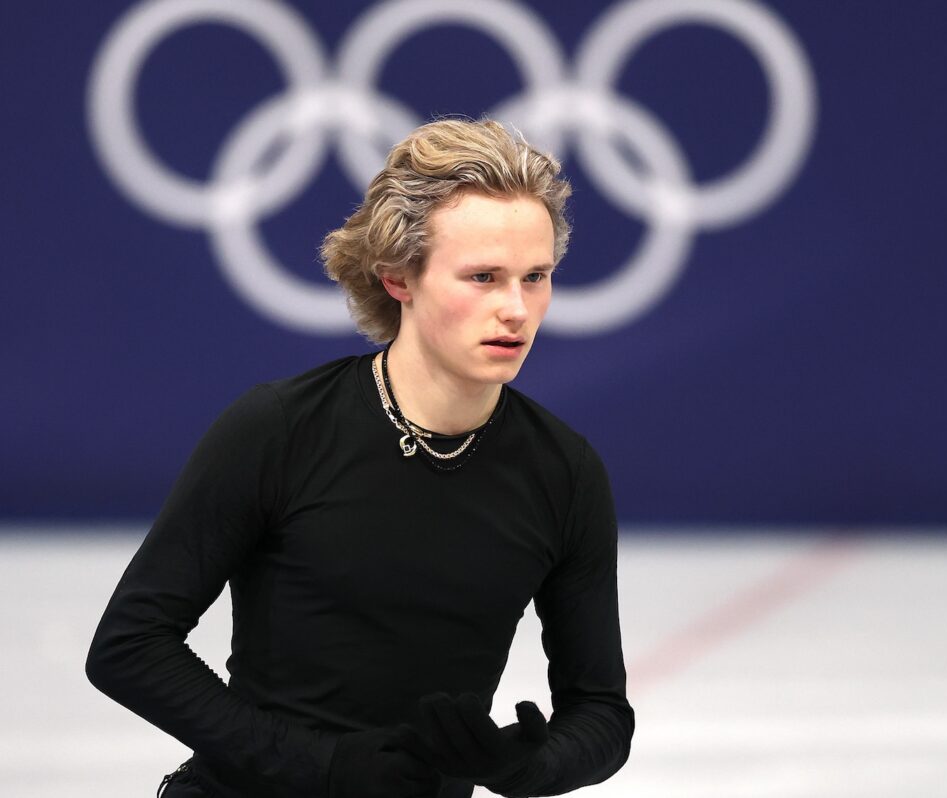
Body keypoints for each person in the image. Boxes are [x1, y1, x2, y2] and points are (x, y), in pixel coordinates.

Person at [86, 118, 634, 798]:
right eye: (483, 277)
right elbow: (130, 644)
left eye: (536, 277)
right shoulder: (282, 429)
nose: (516, 309)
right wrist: (318, 764)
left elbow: (602, 714)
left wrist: (524, 768)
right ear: (399, 278)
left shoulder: (564, 472)